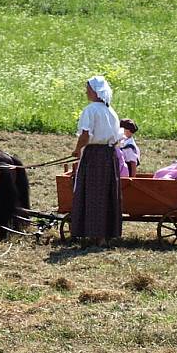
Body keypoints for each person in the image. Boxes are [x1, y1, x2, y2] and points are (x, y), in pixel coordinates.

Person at [70, 76, 123, 246]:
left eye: (88, 89)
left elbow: (85, 135)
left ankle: (95, 234)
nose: (86, 92)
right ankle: (105, 234)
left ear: (95, 91)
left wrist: (77, 150)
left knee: (93, 193)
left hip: (94, 155)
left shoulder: (91, 110)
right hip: (109, 155)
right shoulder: (111, 111)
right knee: (106, 193)